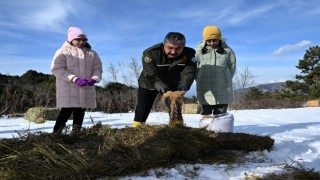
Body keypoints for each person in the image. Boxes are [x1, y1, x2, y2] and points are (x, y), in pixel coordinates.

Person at [132, 32, 197, 127]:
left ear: (183, 47)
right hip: (149, 83)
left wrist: (184, 86)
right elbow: (151, 74)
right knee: (143, 108)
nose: (173, 52)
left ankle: (177, 128)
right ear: (164, 45)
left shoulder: (190, 54)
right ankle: (136, 128)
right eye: (170, 48)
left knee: (175, 106)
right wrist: (163, 88)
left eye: (178, 48)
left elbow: (189, 72)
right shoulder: (150, 53)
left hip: (172, 83)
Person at [51, 27, 103, 133]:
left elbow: (97, 69)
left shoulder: (92, 54)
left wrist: (94, 79)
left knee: (80, 112)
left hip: (85, 88)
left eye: (84, 40)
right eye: (78, 39)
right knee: (65, 112)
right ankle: (56, 134)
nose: (81, 42)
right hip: (68, 88)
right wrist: (74, 78)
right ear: (71, 39)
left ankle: (76, 134)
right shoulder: (62, 52)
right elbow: (57, 69)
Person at [195, 26, 236, 117]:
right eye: (209, 41)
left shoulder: (228, 51)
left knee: (221, 116)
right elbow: (194, 68)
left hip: (223, 88)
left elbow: (232, 67)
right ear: (205, 40)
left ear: (219, 39)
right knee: (206, 116)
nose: (212, 43)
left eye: (215, 40)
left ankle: (221, 131)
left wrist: (226, 78)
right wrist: (199, 79)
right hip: (205, 88)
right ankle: (206, 131)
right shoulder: (198, 51)